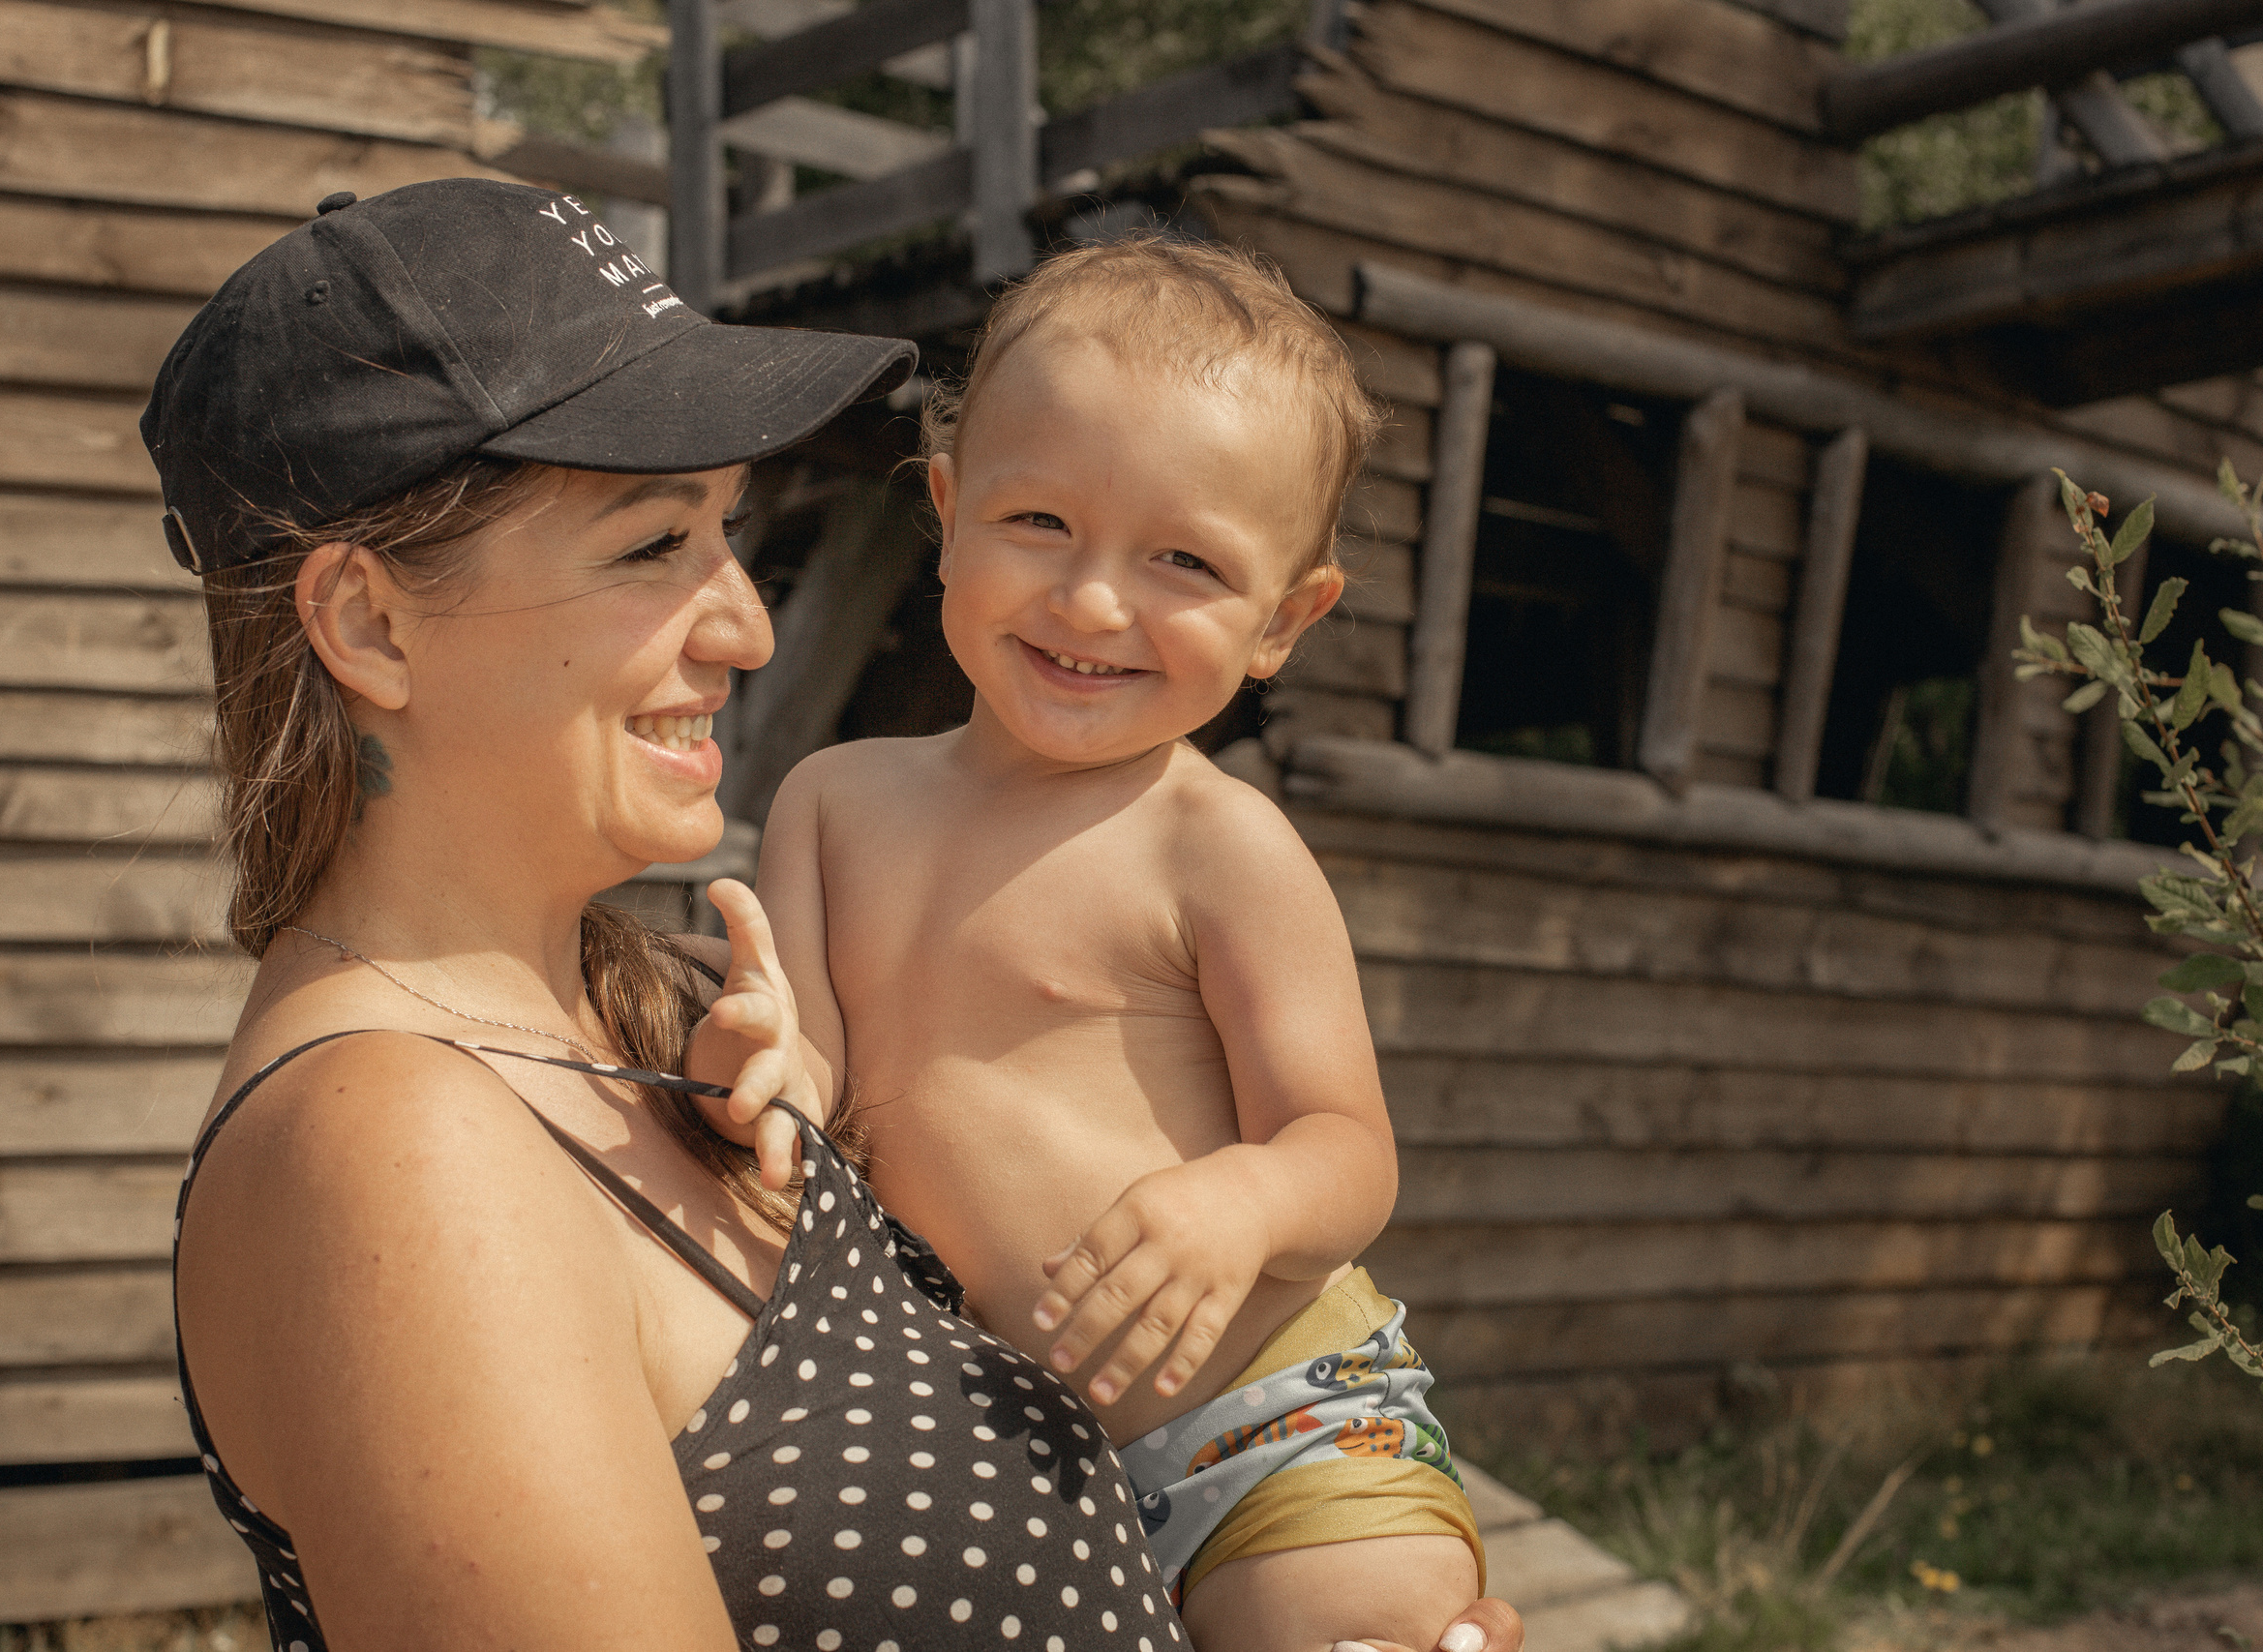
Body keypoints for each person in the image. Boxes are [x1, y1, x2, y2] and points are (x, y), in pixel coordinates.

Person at [153, 178, 1197, 1652]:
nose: (747, 627)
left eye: (727, 532)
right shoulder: (396, 1144)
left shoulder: (667, 1023)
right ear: (369, 623)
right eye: (652, 546)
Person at [754, 236, 1488, 1652]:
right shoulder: (830, 804)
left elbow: (1347, 1147)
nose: (1092, 602)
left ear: (1284, 619)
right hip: (1003, 1465)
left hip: (1277, 1428)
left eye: (1184, 561)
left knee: (1358, 1629)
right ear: (949, 512)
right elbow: (810, 1083)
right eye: (1039, 522)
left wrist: (1242, 1204)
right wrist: (758, 1059)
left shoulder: (1218, 845)